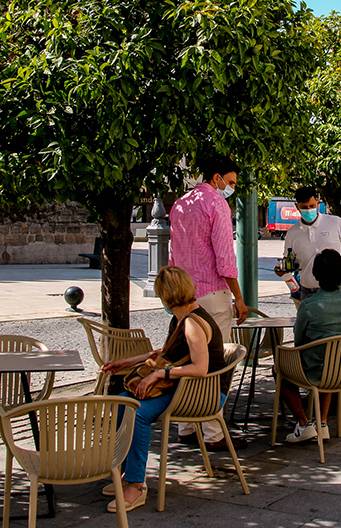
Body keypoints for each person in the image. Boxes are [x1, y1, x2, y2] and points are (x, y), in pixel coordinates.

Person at [99, 266, 228, 513]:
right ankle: (127, 474)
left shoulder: (192, 323)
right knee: (118, 404)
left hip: (202, 393)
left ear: (166, 296)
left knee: (137, 414)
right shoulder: (180, 318)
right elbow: (166, 353)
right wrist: (126, 362)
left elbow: (200, 369)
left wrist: (158, 374)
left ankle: (136, 486)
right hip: (182, 388)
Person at [167, 156, 247, 449]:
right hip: (213, 297)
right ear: (217, 178)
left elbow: (173, 256)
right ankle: (213, 432)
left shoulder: (180, 204)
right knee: (215, 364)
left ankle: (187, 427)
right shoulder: (217, 204)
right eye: (232, 181)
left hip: (185, 299)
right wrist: (239, 297)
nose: (232, 187)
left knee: (189, 360)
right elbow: (225, 260)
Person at [280, 249, 341, 443]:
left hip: (318, 370)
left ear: (316, 276)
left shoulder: (310, 305)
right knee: (331, 360)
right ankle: (322, 422)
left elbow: (299, 341)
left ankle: (304, 423)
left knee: (281, 369)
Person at [278, 186, 341, 298]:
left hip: (336, 288)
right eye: (304, 207)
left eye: (312, 206)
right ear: (297, 207)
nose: (309, 210)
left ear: (318, 203)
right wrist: (281, 269)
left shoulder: (336, 223)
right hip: (308, 291)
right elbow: (288, 260)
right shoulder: (292, 233)